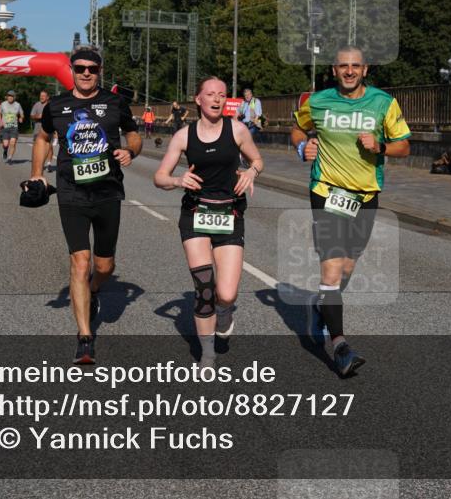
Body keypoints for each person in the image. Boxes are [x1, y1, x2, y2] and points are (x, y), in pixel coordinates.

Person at [290, 46, 411, 377]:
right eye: (343, 66)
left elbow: (404, 145)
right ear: (333, 70)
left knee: (346, 266)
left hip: (365, 195)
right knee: (331, 268)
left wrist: (380, 146)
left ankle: (321, 306)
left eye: (355, 65)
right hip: (326, 191)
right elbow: (297, 127)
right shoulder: (317, 101)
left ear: (365, 69)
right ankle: (340, 345)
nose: (349, 71)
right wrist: (302, 145)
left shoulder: (383, 102)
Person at [29, 48, 143, 364]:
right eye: (80, 68)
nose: (86, 73)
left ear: (100, 70)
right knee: (80, 262)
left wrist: (131, 151)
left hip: (108, 192)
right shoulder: (56, 105)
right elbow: (43, 138)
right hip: (71, 192)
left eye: (92, 68)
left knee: (104, 266)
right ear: (72, 70)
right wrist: (37, 174)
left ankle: (93, 289)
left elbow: (134, 135)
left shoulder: (115, 103)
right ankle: (85, 337)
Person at [154, 77, 263, 368]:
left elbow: (257, 161)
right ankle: (207, 354)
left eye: (222, 95)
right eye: (211, 94)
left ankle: (224, 312)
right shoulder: (184, 136)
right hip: (195, 214)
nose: (217, 99)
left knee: (226, 293)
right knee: (204, 288)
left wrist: (251, 172)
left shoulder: (237, 130)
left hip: (229, 214)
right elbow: (159, 177)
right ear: (198, 99)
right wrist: (178, 180)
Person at [30, 90, 54, 170]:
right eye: (41, 96)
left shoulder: (51, 105)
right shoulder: (37, 104)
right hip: (38, 129)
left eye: (43, 96)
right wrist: (38, 116)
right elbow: (32, 115)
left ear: (47, 97)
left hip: (48, 129)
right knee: (37, 147)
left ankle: (49, 163)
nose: (41, 97)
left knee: (49, 146)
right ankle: (39, 163)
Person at [0, 90, 24, 163]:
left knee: (13, 143)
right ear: (7, 97)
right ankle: (5, 150)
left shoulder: (18, 105)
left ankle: (10, 158)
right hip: (5, 127)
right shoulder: (3, 104)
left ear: (14, 97)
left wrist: (21, 118)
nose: (10, 97)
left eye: (11, 96)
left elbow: (22, 114)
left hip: (14, 127)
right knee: (5, 144)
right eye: (9, 96)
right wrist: (0, 121)